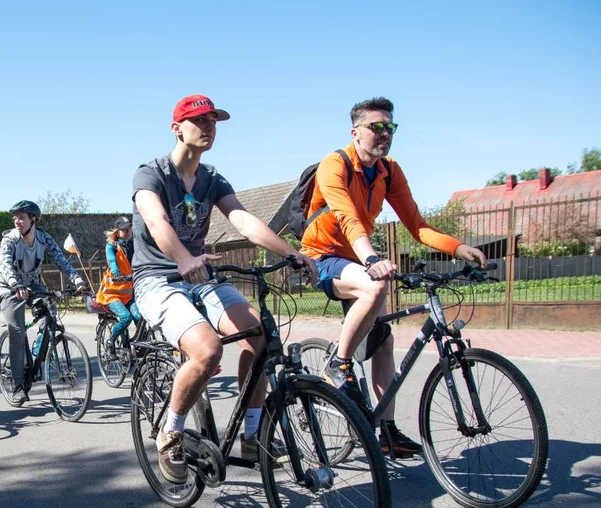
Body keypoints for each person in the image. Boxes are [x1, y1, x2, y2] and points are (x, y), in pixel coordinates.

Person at [131, 94, 316, 483]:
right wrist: (182, 258)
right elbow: (157, 219)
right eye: (200, 120)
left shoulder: (212, 178)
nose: (209, 127)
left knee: (262, 335)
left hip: (202, 276)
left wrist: (292, 253)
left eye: (214, 121)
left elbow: (244, 221)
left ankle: (251, 433)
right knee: (207, 348)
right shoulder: (151, 174)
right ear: (177, 128)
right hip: (157, 280)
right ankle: (172, 430)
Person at [301, 96, 485, 458]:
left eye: (390, 128)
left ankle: (386, 431)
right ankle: (339, 364)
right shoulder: (333, 164)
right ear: (355, 132)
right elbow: (347, 217)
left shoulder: (389, 171)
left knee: (384, 343)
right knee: (376, 283)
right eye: (376, 127)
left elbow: (417, 225)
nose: (384, 134)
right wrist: (371, 258)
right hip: (322, 257)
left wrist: (458, 248)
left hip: (359, 259)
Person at [0, 200, 88, 404]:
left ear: (33, 219)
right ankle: (18, 385)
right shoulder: (10, 240)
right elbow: (4, 264)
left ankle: (38, 355)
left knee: (50, 314)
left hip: (32, 284)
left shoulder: (43, 238)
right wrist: (15, 285)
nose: (16, 221)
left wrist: (78, 280)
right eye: (15, 218)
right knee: (17, 331)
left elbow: (61, 261)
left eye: (21, 217)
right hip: (10, 287)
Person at [96, 216, 141, 349]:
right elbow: (112, 261)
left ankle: (139, 346)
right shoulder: (112, 247)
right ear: (117, 232)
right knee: (126, 318)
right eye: (124, 230)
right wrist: (116, 273)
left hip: (127, 294)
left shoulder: (134, 245)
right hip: (111, 295)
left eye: (129, 229)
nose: (127, 232)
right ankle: (110, 342)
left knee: (139, 318)